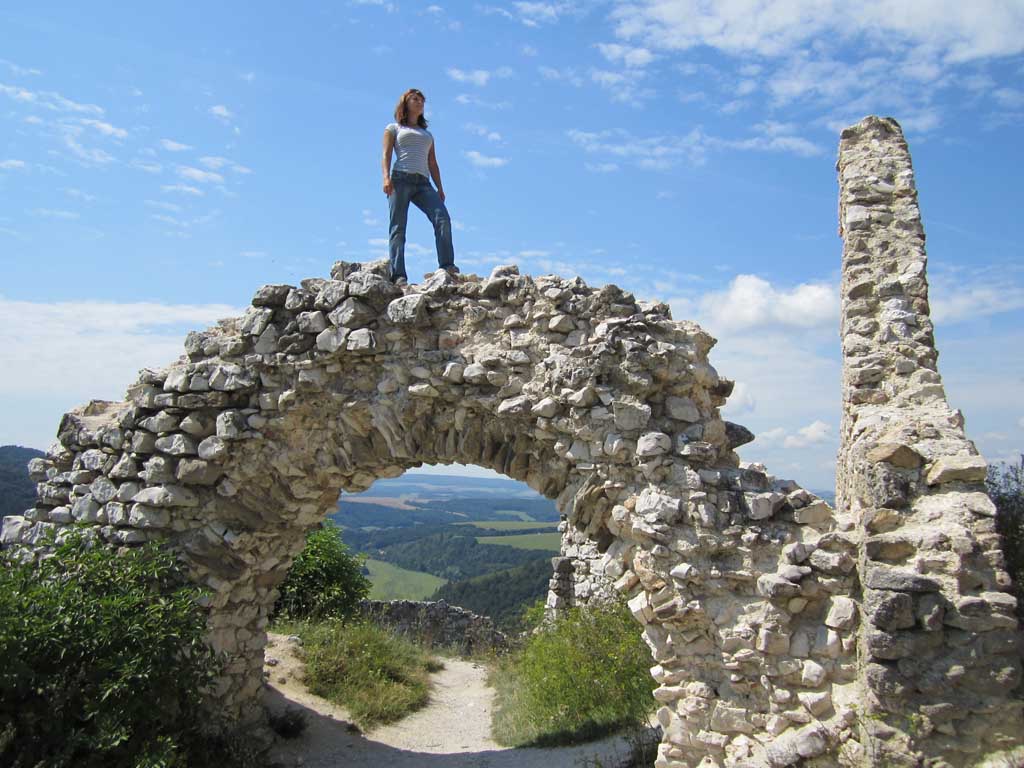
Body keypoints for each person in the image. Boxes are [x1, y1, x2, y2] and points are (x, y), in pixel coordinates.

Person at [382, 88, 458, 285]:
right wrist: (386, 178)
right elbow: (386, 155)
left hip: (423, 182)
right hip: (400, 180)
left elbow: (432, 163)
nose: (419, 102)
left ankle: (447, 266)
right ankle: (398, 275)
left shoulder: (427, 134)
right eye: (415, 99)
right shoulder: (393, 128)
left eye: (422, 100)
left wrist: (440, 188)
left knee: (442, 219)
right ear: (405, 103)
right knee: (398, 227)